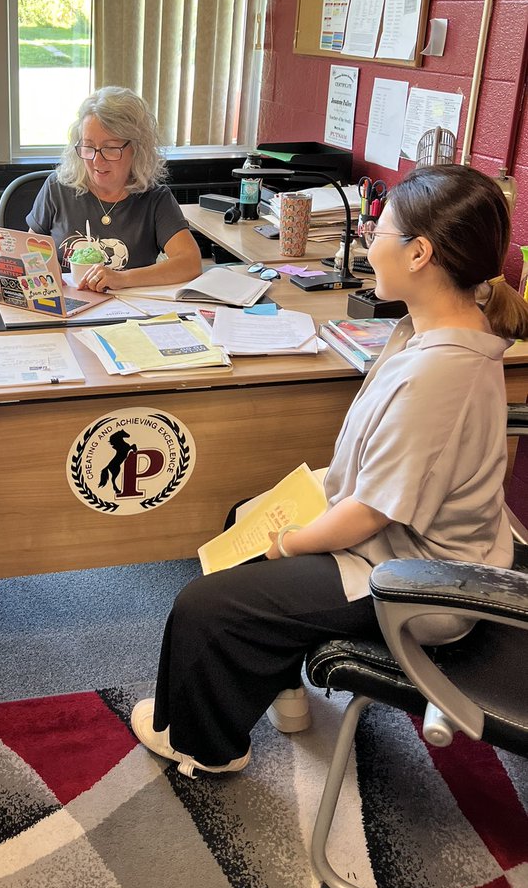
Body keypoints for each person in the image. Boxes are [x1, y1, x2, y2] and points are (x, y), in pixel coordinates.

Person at [131, 164, 528, 777]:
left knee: (208, 605)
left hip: (416, 581)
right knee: (243, 515)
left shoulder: (439, 375)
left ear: (420, 253)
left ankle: (205, 746)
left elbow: (368, 514)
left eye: (379, 230)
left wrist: (287, 544)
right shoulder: (437, 333)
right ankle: (279, 685)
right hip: (399, 539)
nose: (368, 239)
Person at [27, 86, 201, 292]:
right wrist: (45, 269)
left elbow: (190, 263)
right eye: (88, 146)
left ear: (136, 149)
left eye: (110, 148)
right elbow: (30, 248)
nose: (96, 161)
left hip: (130, 308)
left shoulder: (155, 199)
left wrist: (122, 278)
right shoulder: (57, 188)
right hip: (70, 303)